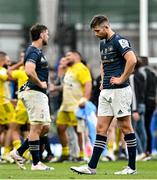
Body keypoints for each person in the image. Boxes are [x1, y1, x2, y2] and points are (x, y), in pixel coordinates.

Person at [70, 15, 137, 175]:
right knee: (101, 129)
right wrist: (102, 80)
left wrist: (121, 78)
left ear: (106, 27)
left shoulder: (119, 41)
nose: (96, 34)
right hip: (106, 90)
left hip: (120, 91)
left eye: (97, 30)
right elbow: (103, 62)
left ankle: (132, 167)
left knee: (125, 127)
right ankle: (91, 167)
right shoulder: (103, 44)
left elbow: (132, 60)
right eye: (94, 31)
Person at [10, 24, 54, 171]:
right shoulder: (33, 51)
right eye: (47, 33)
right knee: (36, 128)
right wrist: (41, 83)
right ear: (41, 35)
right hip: (34, 92)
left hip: (37, 93)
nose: (48, 36)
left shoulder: (36, 51)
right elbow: (29, 70)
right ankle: (36, 163)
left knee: (45, 127)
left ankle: (18, 152)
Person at [51, 51, 92, 162]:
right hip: (65, 105)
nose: (66, 58)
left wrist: (84, 99)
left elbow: (88, 84)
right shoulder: (70, 69)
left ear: (76, 56)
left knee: (78, 130)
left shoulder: (81, 68)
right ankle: (65, 153)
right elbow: (65, 86)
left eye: (69, 56)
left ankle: (82, 155)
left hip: (76, 105)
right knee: (60, 128)